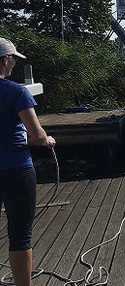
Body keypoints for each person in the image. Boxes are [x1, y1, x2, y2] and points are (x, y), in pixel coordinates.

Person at [0, 37, 56, 286]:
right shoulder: (16, 92)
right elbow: (37, 135)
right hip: (16, 169)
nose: (12, 63)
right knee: (20, 236)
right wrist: (47, 140)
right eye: (12, 59)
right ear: (4, 61)